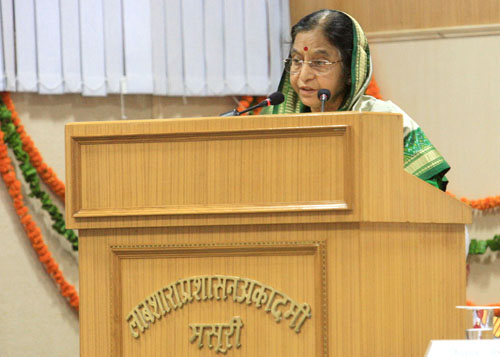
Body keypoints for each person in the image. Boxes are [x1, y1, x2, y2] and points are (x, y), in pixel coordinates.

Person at [261, 9, 450, 191]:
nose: (303, 75)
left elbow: (427, 188)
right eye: (296, 60)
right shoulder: (272, 121)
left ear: (351, 70)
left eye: (319, 62)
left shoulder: (383, 119)